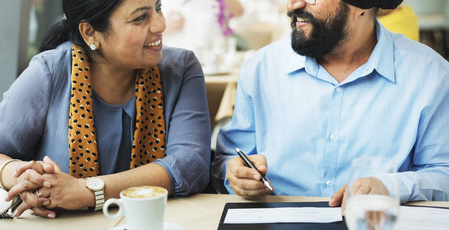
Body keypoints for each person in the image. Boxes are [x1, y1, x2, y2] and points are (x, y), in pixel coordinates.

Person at [211, 0, 449, 210]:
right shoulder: (260, 68)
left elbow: (443, 172)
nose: (292, 4)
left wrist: (389, 186)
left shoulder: (430, 74)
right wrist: (234, 175)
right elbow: (228, 159)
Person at [0, 0, 211, 218]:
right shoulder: (49, 72)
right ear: (90, 32)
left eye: (158, 8)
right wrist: (21, 177)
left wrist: (87, 191)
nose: (160, 25)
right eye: (140, 17)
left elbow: (190, 164)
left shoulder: (181, 68)